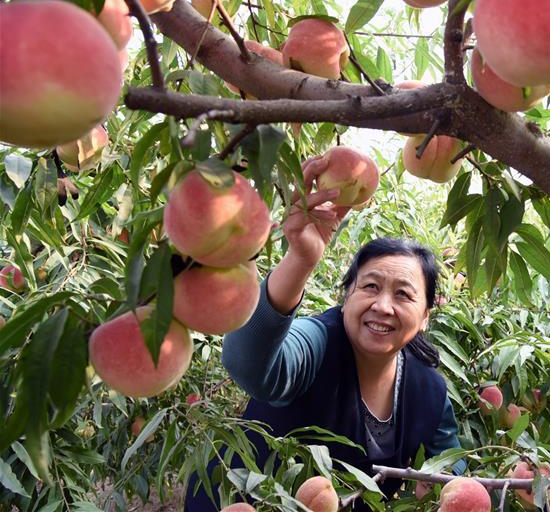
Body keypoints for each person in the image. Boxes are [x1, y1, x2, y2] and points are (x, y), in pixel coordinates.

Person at [184, 155, 465, 511]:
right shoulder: (318, 343)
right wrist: (300, 260)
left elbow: (450, 461)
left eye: (403, 294)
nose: (382, 305)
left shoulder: (429, 389)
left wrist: (442, 485)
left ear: (425, 316)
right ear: (347, 298)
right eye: (370, 286)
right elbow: (249, 367)